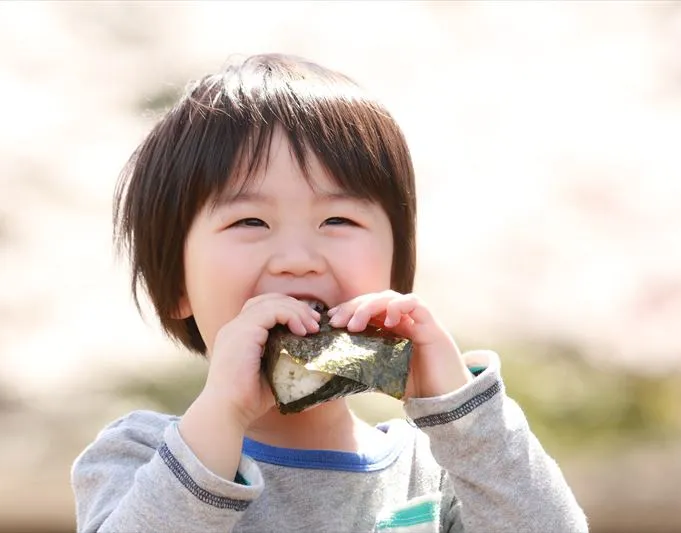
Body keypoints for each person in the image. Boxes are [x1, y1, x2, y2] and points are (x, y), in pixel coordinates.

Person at [71, 53, 588, 533]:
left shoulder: (434, 472)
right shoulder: (141, 458)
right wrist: (223, 411)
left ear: (395, 270)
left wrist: (463, 415)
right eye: (250, 221)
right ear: (176, 287)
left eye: (338, 220)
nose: (298, 258)